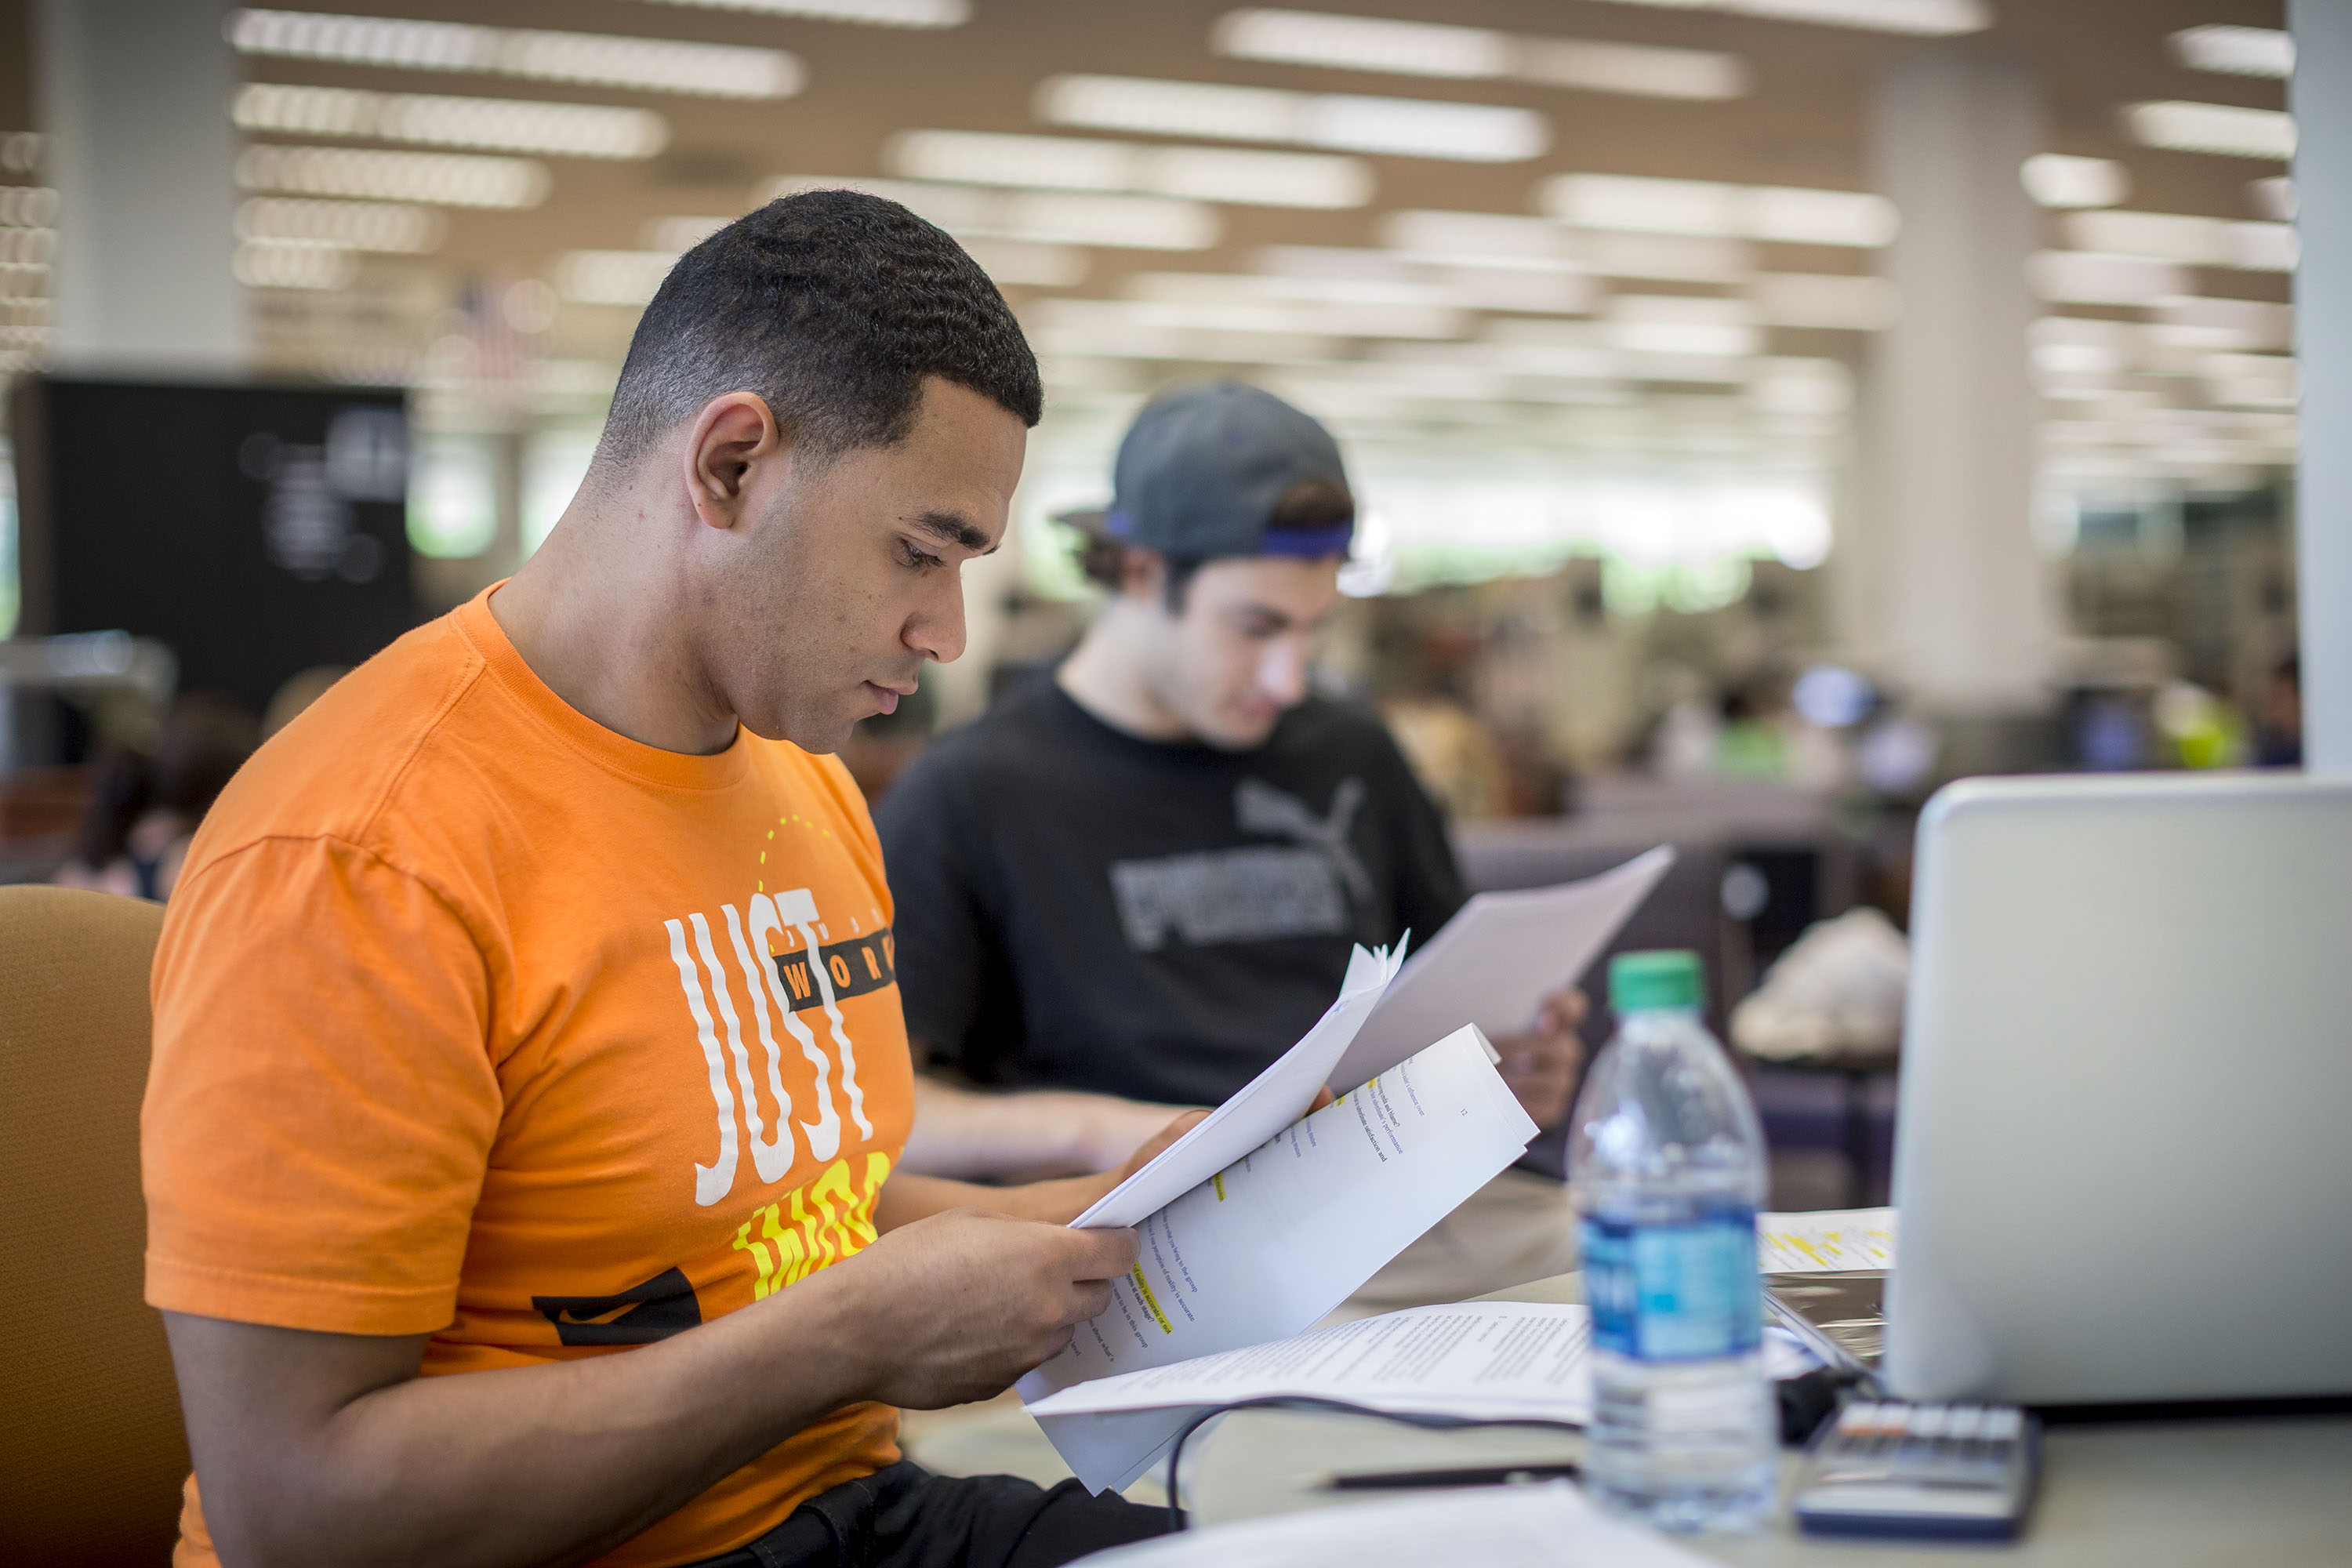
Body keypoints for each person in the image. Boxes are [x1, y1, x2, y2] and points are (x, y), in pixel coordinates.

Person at [142, 191, 1197, 1568]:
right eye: (920, 553)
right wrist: (853, 1336)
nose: (943, 631)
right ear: (732, 468)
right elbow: (298, 1509)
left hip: (841, 1513)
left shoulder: (801, 778)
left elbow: (780, 1208)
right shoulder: (358, 853)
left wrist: (1106, 1213)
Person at [876, 383, 1588, 1309]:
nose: (1289, 679)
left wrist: (1504, 1071)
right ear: (1137, 572)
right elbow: (888, 1115)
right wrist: (1132, 1132)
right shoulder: (970, 791)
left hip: (1405, 1211)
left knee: (1695, 1265)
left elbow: (1447, 1000)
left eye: (1312, 630)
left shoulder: (1353, 752)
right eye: (1255, 628)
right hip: (1167, 1252)